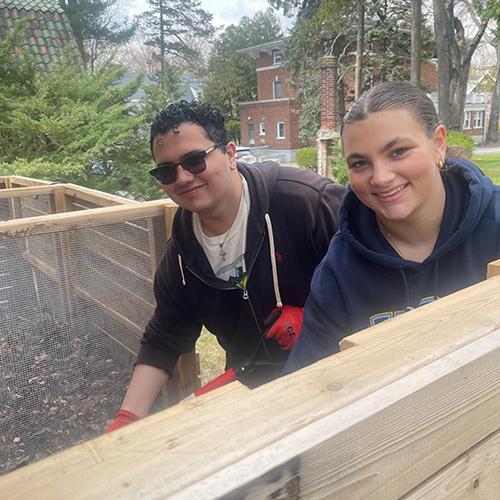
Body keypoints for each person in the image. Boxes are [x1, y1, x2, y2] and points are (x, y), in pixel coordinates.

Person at [107, 100, 345, 431]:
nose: (182, 177)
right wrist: (126, 420)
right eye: (166, 171)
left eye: (194, 160)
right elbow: (165, 336)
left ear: (231, 154)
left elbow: (377, 274)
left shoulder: (308, 203)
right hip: (254, 396)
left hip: (338, 383)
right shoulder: (180, 255)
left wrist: (318, 320)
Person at [284, 81, 500, 374]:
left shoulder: (495, 223)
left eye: (398, 152)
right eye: (360, 164)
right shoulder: (340, 272)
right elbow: (305, 383)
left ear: (438, 143)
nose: (381, 178)